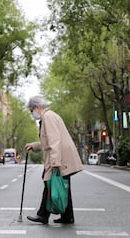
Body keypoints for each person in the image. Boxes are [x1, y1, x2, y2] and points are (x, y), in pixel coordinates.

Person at [24, 95, 84, 225]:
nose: (32, 114)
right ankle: (67, 217)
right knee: (62, 186)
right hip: (64, 157)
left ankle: (43, 215)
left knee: (49, 183)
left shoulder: (48, 117)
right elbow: (47, 142)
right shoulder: (49, 116)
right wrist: (34, 146)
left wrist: (55, 163)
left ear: (37, 107)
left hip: (61, 158)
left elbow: (54, 140)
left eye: (31, 111)